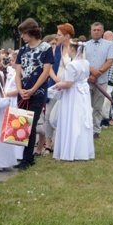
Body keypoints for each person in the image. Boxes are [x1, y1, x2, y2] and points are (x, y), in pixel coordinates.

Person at [14, 18, 53, 170]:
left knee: (31, 124)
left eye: (24, 33)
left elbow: (46, 71)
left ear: (32, 32)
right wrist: (20, 89)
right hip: (23, 92)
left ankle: (27, 158)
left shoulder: (46, 48)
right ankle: (26, 157)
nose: (22, 36)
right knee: (22, 124)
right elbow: (18, 72)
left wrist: (33, 90)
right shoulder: (23, 50)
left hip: (38, 92)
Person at [53, 40, 95, 161]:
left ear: (72, 49)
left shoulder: (72, 65)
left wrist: (57, 85)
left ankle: (72, 149)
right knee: (80, 119)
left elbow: (68, 83)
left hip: (73, 94)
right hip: (82, 94)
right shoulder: (86, 63)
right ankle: (82, 150)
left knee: (72, 119)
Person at [44, 23, 75, 157]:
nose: (57, 37)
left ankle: (61, 143)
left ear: (67, 36)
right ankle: (48, 144)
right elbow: (49, 66)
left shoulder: (76, 48)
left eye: (59, 35)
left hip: (69, 86)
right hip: (56, 84)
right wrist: (56, 79)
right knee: (48, 115)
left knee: (64, 115)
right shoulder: (57, 48)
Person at [83, 22, 113, 138]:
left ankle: (96, 130)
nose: (96, 32)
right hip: (87, 80)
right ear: (91, 31)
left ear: (102, 31)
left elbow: (109, 61)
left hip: (101, 81)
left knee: (97, 107)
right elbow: (81, 62)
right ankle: (86, 128)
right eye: (94, 30)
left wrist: (97, 73)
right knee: (86, 106)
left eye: (98, 30)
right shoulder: (85, 45)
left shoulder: (109, 45)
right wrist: (91, 71)